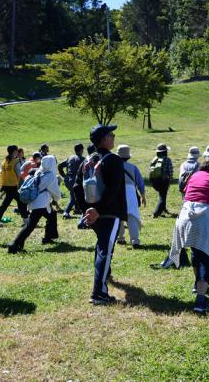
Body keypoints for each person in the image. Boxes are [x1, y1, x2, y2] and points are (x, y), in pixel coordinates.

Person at [168, 149, 209, 313]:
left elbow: (187, 195)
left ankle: (197, 285)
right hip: (203, 216)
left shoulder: (195, 175)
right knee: (205, 258)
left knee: (196, 251)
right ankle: (200, 301)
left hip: (185, 215)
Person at [79, 124, 127, 305]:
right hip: (108, 213)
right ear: (104, 139)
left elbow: (76, 187)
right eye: (111, 134)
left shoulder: (87, 160)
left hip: (93, 215)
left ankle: (102, 284)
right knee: (105, 252)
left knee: (101, 248)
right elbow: (113, 190)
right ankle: (98, 293)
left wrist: (86, 209)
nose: (114, 137)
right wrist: (97, 210)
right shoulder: (113, 160)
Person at [8, 155, 62, 253]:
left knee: (52, 216)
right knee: (30, 225)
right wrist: (57, 198)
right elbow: (55, 191)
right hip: (41, 204)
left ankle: (48, 238)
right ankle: (14, 245)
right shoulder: (50, 176)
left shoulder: (39, 171)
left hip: (38, 202)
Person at [0, 145, 28, 227]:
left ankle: (26, 220)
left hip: (5, 185)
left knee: (11, 203)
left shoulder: (4, 161)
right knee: (18, 202)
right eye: (17, 151)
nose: (17, 152)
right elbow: (19, 174)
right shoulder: (16, 161)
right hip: (12, 185)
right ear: (14, 151)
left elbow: (0, 172)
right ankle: (26, 220)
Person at [116, 145, 146, 247]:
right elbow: (140, 183)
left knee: (118, 217)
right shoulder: (133, 167)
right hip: (130, 193)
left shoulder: (113, 167)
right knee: (132, 217)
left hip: (117, 193)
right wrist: (143, 195)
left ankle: (120, 238)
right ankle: (135, 241)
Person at [58, 143, 85, 219]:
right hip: (74, 180)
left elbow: (60, 165)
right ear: (81, 150)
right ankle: (66, 213)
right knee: (74, 197)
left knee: (74, 194)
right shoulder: (83, 159)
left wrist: (63, 175)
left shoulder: (69, 157)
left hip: (67, 179)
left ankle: (77, 209)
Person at [150, 143, 173, 218]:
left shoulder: (154, 159)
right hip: (164, 181)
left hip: (155, 180)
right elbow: (170, 172)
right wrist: (169, 180)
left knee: (162, 195)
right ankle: (156, 213)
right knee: (162, 197)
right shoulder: (167, 160)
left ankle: (164, 209)